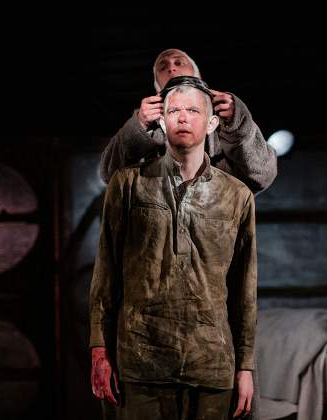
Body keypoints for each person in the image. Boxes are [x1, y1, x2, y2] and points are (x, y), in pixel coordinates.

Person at [90, 75, 258, 419]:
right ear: (162, 122)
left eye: (193, 110)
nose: (183, 117)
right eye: (174, 110)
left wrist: (246, 365)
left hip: (211, 362)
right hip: (139, 360)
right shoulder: (128, 184)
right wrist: (99, 350)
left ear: (212, 123)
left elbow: (245, 287)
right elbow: (105, 273)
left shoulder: (237, 195)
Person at [99, 48, 277, 194]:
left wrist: (238, 124)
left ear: (197, 76)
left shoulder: (225, 122)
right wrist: (139, 127)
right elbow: (110, 175)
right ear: (157, 87)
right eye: (163, 67)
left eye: (179, 63)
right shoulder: (149, 127)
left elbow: (261, 176)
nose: (171, 68)